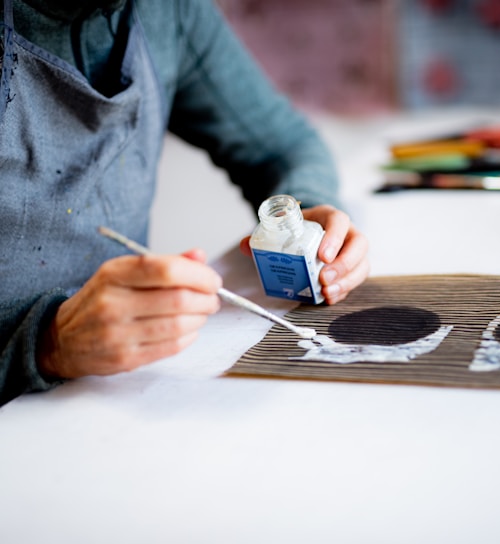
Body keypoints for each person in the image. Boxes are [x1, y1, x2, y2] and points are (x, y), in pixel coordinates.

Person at [0, 0, 370, 406]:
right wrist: (46, 345)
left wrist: (307, 213)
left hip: (114, 400)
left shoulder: (167, 11)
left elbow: (285, 146)